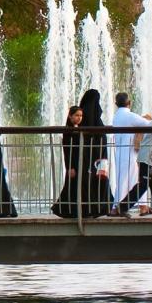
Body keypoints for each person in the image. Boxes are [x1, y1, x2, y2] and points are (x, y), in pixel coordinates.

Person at [51, 90, 112, 218]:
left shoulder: (85, 120)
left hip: (90, 161)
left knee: (85, 184)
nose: (80, 117)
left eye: (80, 115)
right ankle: (90, 208)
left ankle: (87, 208)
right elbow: (69, 147)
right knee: (84, 183)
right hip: (89, 161)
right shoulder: (82, 124)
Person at [110, 92, 152, 214]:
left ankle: (143, 206)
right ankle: (115, 208)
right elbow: (149, 124)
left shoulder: (116, 116)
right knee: (126, 180)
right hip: (130, 153)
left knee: (135, 179)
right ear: (129, 103)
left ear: (115, 104)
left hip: (122, 151)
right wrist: (148, 117)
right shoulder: (129, 116)